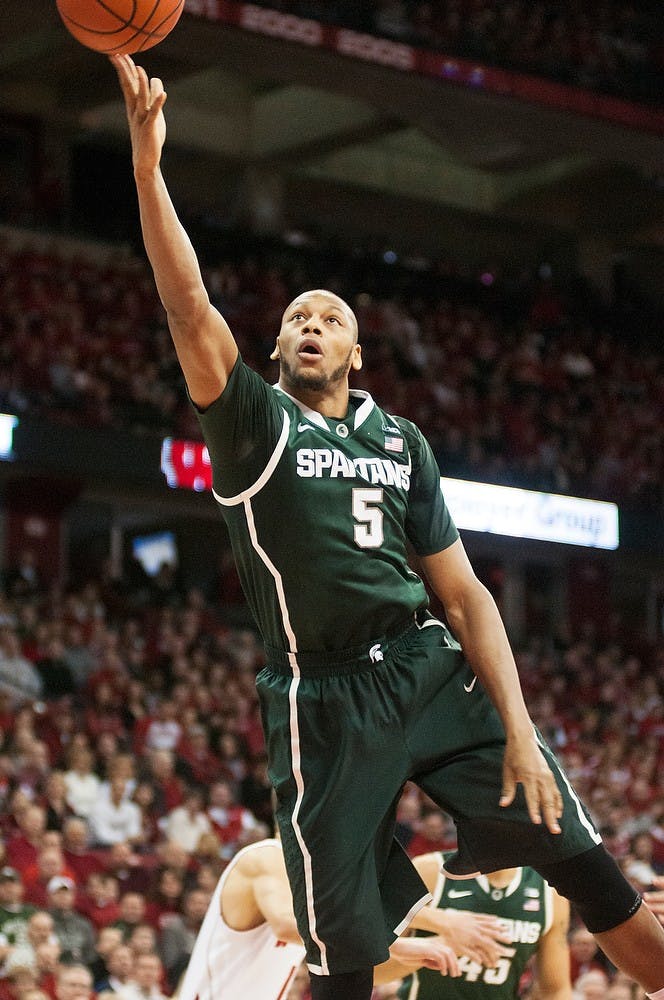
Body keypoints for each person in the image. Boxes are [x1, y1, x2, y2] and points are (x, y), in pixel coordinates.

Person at [112, 52, 664, 1000]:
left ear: (358, 350)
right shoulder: (252, 426)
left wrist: (522, 729)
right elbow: (187, 303)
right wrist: (148, 169)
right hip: (321, 702)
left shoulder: (402, 440)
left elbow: (463, 592)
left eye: (330, 315)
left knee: (583, 860)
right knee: (348, 959)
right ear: (280, 348)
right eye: (296, 317)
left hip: (426, 666)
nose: (312, 322)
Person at [177, 837, 458, 1000]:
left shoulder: (315, 886)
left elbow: (356, 963)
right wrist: (399, 944)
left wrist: (420, 956)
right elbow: (288, 925)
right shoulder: (268, 858)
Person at [383, 851, 571, 1000]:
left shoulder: (549, 894)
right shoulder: (429, 871)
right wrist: (441, 945)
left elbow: (555, 990)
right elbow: (373, 972)